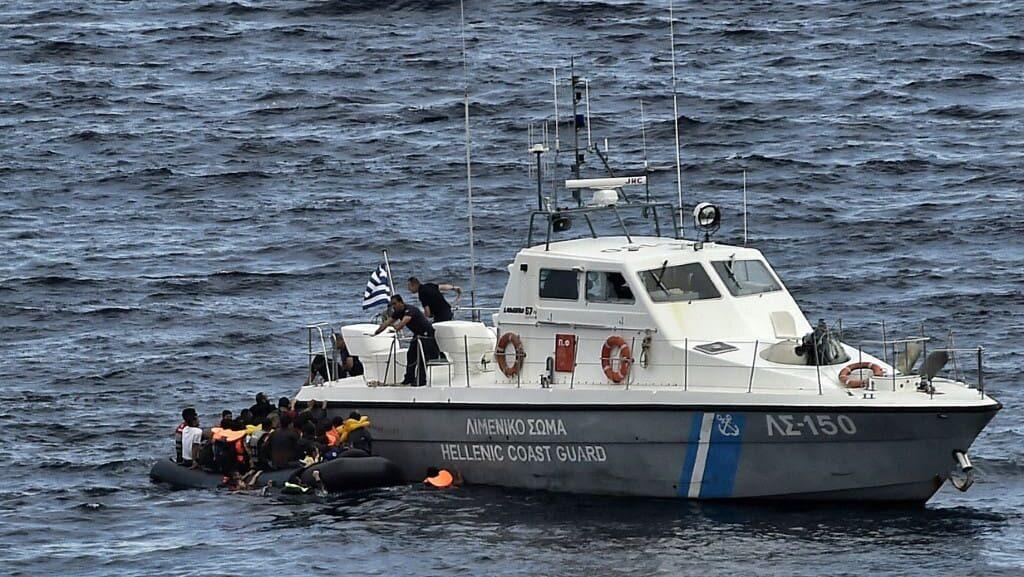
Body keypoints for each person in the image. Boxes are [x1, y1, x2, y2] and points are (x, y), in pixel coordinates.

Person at [374, 294, 439, 386]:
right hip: (417, 334)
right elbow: (387, 322)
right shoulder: (397, 312)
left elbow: (403, 323)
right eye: (392, 304)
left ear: (401, 302)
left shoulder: (409, 310)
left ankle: (421, 380)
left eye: (395, 304)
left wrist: (394, 329)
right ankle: (409, 378)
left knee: (421, 357)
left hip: (426, 334)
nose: (393, 306)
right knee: (411, 355)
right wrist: (376, 332)